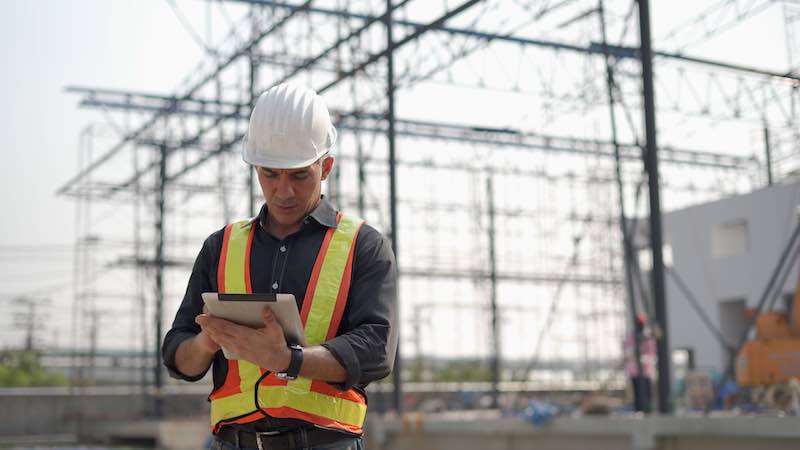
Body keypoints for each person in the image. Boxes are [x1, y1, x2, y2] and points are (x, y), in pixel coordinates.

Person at [162, 82, 398, 450]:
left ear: (326, 167)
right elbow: (178, 356)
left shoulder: (363, 246)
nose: (283, 190)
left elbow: (375, 349)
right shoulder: (220, 247)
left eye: (299, 174)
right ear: (255, 167)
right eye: (270, 174)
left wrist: (289, 360)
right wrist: (207, 341)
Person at [623, 313, 656, 413]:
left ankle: (648, 410)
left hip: (646, 370)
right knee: (637, 392)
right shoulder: (631, 337)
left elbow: (651, 353)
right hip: (635, 371)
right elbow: (627, 351)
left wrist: (644, 357)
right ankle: (638, 410)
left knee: (647, 392)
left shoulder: (648, 337)